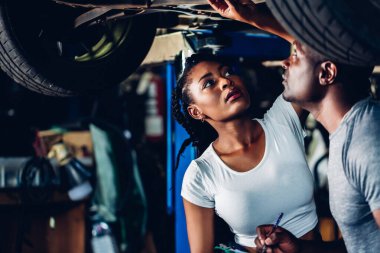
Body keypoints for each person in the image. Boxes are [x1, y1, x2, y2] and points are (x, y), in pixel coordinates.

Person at [207, 0, 380, 252]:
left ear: (326, 74)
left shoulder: (368, 140)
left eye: (294, 55)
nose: (284, 63)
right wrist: (301, 249)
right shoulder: (349, 135)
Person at [172, 52, 321, 253]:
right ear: (196, 112)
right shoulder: (201, 174)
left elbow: (311, 55)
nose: (226, 81)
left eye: (228, 72)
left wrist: (252, 19)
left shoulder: (283, 120)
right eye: (209, 83)